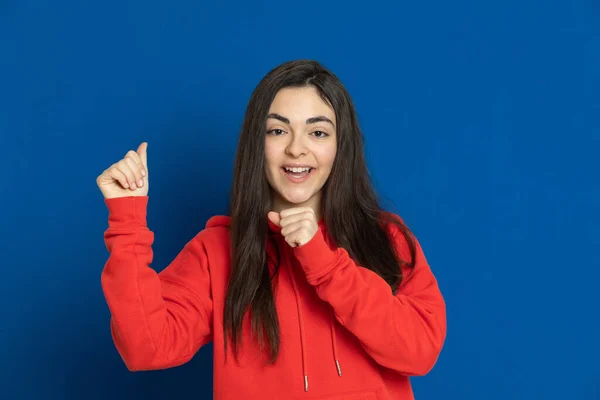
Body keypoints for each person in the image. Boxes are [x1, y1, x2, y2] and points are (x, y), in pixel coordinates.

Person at [96, 60, 446, 400]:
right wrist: (127, 223)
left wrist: (326, 265)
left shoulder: (386, 237)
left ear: (341, 146)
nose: (296, 148)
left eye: (318, 132)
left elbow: (420, 351)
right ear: (256, 144)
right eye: (278, 130)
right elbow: (147, 348)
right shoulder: (216, 250)